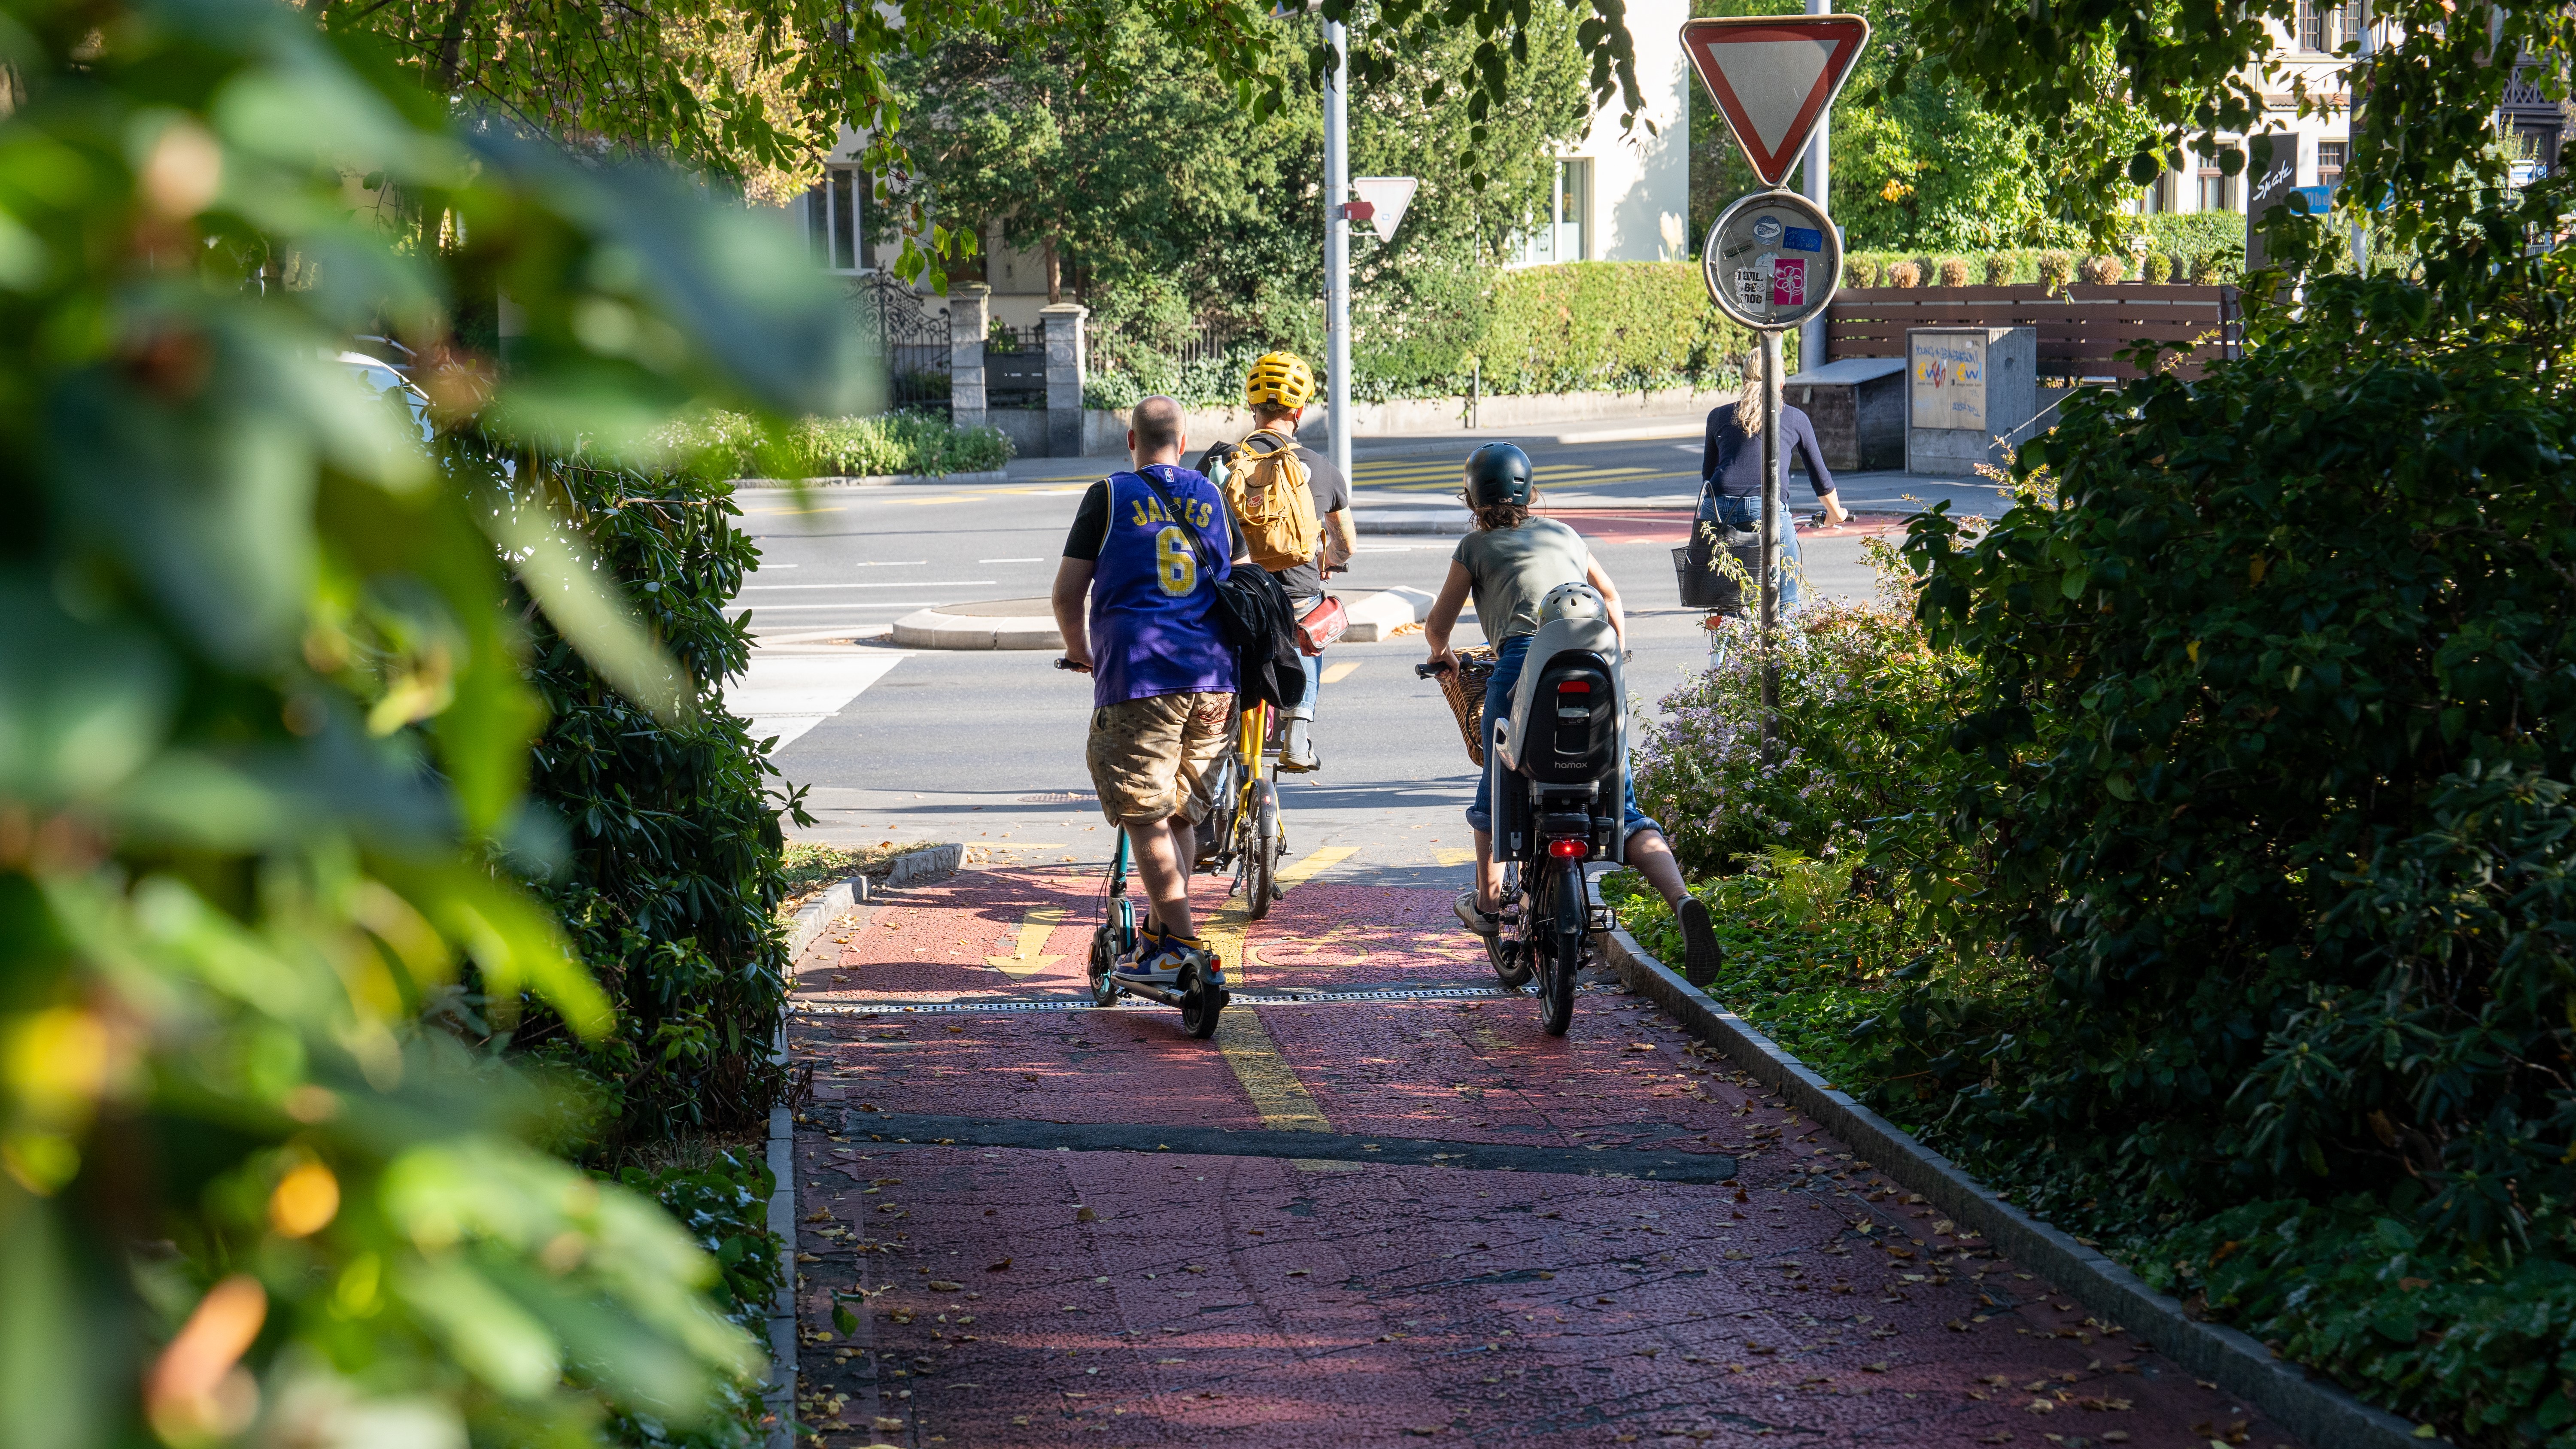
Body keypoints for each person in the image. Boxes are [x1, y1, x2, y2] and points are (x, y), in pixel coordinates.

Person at [1421, 443, 1722, 985]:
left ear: (1472, 497)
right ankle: (1681, 898)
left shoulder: (1476, 546)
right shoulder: (1564, 534)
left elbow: (1437, 626)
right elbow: (1609, 596)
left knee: (1497, 791)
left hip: (1519, 667)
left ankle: (1491, 904)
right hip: (1596, 664)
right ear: (1532, 492)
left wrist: (1443, 656)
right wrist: (1616, 659)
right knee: (1623, 807)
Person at [1052, 395, 1243, 987]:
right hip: (1215, 677)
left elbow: (1066, 594)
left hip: (1142, 673)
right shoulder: (1211, 495)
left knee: (1144, 812)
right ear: (1183, 444)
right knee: (1181, 812)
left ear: (1132, 442)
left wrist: (1081, 650)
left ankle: (1182, 942)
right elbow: (1237, 569)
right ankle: (1160, 937)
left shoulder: (1109, 494)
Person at [1195, 351, 1353, 772]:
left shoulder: (1218, 460)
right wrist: (1331, 560)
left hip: (1233, 589)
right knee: (1309, 628)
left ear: (1252, 406)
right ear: (1299, 410)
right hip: (1295, 593)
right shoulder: (1322, 469)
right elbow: (1345, 543)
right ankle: (1297, 734)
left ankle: (1213, 733)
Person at [1700, 351, 1849, 616]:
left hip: (1720, 512)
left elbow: (1707, 477)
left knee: (1730, 601)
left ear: (1744, 379)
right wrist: (1836, 514)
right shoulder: (1794, 418)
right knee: (1788, 602)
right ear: (1781, 383)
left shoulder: (1717, 416)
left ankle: (1726, 647)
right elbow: (1821, 478)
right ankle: (1792, 653)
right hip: (1767, 510)